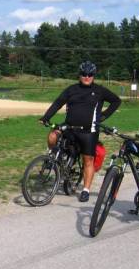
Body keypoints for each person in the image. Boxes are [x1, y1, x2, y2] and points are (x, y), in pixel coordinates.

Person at [40, 61, 121, 203]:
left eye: (90, 74)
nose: (87, 77)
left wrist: (103, 116)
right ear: (80, 75)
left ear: (93, 75)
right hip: (69, 127)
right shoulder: (71, 89)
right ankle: (53, 158)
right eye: (84, 74)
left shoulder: (100, 90)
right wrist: (46, 117)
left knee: (88, 160)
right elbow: (58, 103)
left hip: (89, 132)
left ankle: (85, 190)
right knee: (52, 136)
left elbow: (116, 101)